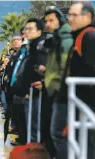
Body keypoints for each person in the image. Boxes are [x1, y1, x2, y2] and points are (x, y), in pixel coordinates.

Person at [32, 7, 73, 159]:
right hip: (54, 90)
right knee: (53, 132)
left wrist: (47, 80)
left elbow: (65, 67)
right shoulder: (57, 38)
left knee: (58, 133)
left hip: (60, 92)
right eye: (46, 21)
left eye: (51, 20)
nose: (48, 24)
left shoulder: (65, 39)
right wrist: (45, 74)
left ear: (61, 20)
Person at [63, 2, 95, 158]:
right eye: (69, 15)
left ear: (87, 16)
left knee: (86, 145)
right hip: (80, 101)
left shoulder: (89, 36)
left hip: (86, 102)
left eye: (74, 15)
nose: (70, 19)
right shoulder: (80, 36)